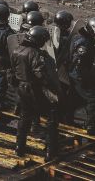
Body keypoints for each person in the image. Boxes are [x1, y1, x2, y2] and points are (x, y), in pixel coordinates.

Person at [11, 26, 60, 160]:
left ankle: (19, 147)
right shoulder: (36, 54)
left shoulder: (16, 50)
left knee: (24, 117)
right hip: (35, 89)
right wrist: (52, 90)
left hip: (22, 88)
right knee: (52, 118)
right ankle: (51, 152)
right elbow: (40, 75)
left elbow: (13, 70)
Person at [68, 17, 95, 136]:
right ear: (93, 29)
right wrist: (89, 79)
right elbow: (79, 64)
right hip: (79, 75)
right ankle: (91, 126)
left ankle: (68, 119)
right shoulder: (84, 43)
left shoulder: (81, 37)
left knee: (74, 98)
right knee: (93, 98)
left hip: (74, 74)